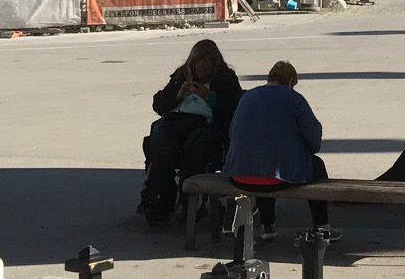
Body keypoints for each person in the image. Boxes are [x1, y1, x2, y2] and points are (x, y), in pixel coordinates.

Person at [224, 60, 333, 241]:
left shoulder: (247, 96)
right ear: (290, 81)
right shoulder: (295, 99)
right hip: (276, 179)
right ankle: (322, 226)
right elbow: (314, 140)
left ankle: (268, 225)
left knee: (264, 163)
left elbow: (231, 134)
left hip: (240, 176)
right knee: (314, 166)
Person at [142, 37, 243, 221]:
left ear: (215, 63)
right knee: (161, 147)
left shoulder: (225, 78)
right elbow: (159, 105)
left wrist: (211, 97)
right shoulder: (182, 76)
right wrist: (177, 96)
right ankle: (162, 197)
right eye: (197, 61)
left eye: (206, 61)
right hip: (177, 121)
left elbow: (236, 107)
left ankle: (190, 201)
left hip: (206, 124)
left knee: (196, 147)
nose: (201, 66)